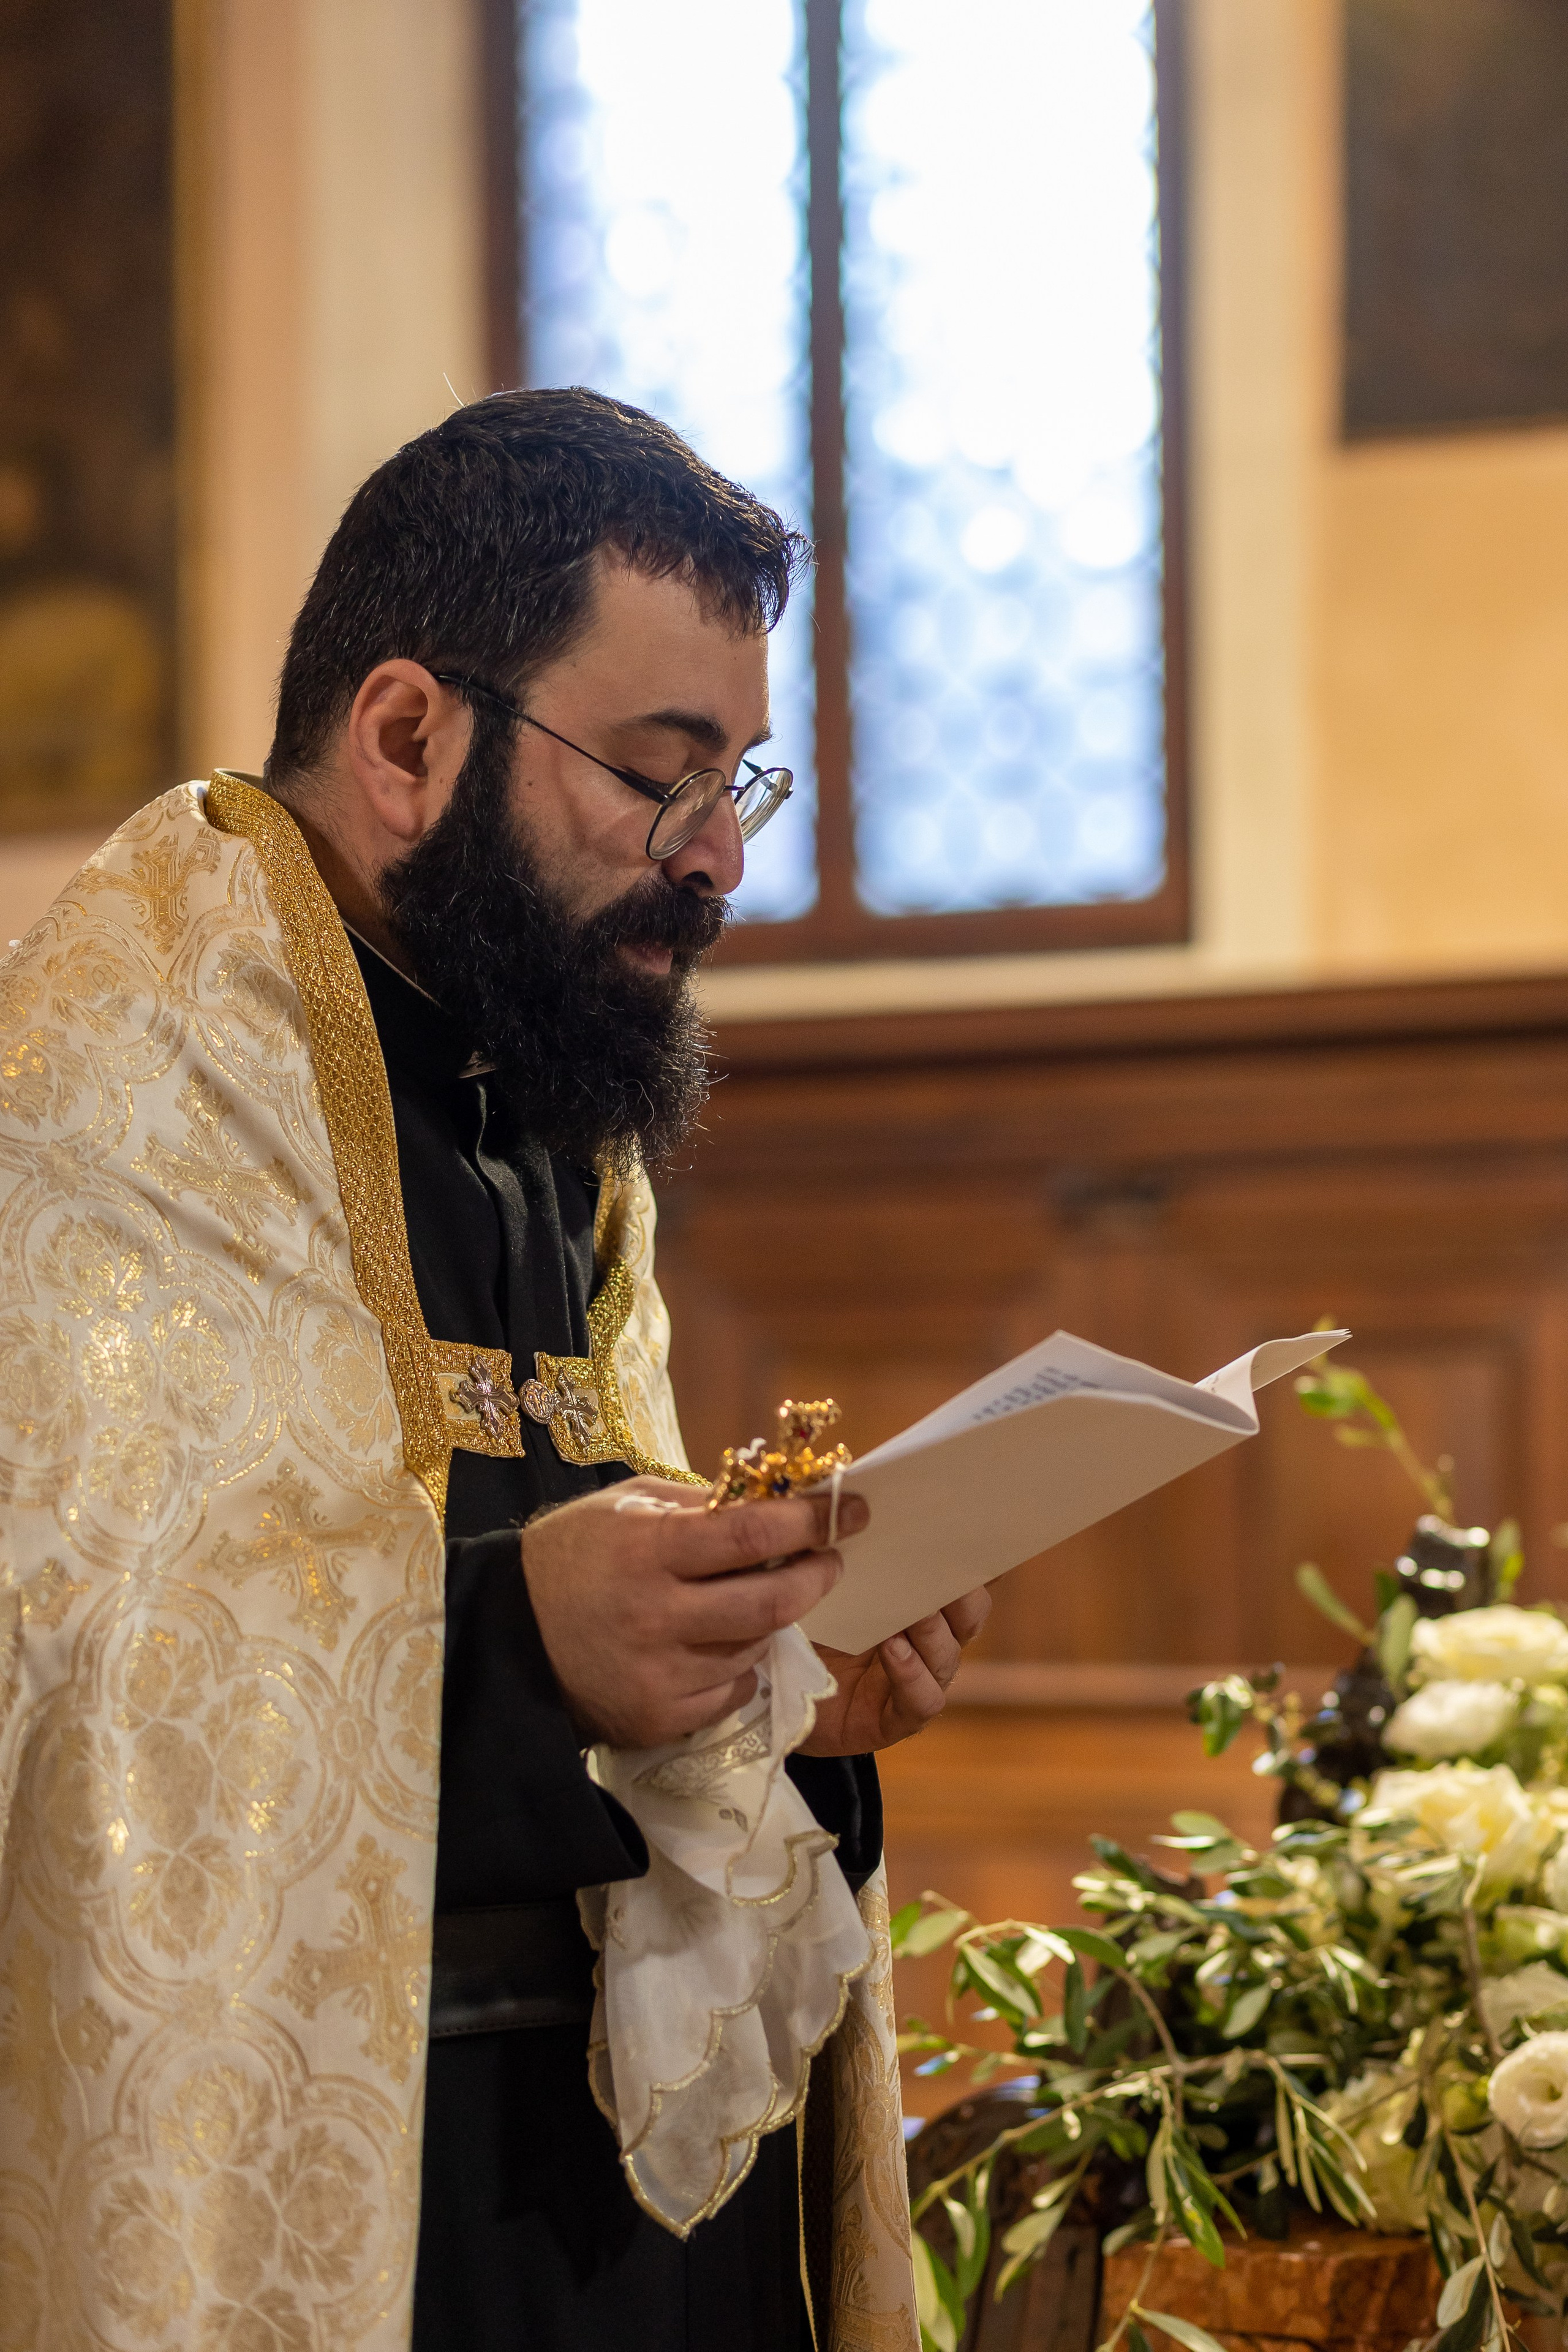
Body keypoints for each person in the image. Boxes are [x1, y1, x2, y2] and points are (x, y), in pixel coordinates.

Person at [0, 388, 989, 2352]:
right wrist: (528, 1659)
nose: (717, 862)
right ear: (405, 737)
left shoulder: (553, 1099)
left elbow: (598, 1613)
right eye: (660, 776)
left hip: (637, 2210)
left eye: (746, 789)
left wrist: (780, 1693)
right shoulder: (118, 1084)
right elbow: (68, 1707)